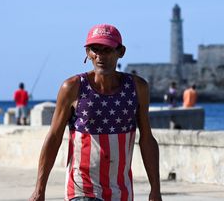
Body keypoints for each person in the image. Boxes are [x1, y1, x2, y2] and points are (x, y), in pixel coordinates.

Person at [29, 24, 162, 201]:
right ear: (87, 53)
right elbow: (54, 136)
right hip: (82, 189)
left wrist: (155, 190)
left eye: (107, 50)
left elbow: (147, 138)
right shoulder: (73, 87)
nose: (100, 57)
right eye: (94, 50)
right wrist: (39, 190)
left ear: (120, 52)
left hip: (121, 192)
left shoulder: (137, 88)